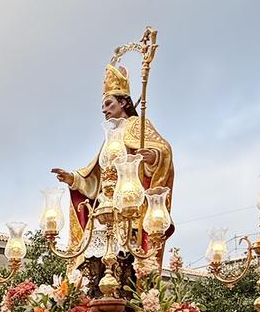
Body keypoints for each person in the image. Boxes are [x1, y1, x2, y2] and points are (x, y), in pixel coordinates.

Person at [51, 59, 174, 279]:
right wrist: (73, 179)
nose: (105, 110)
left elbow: (163, 150)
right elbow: (97, 174)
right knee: (94, 261)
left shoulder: (137, 126)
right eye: (103, 106)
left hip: (128, 205)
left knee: (125, 259)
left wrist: (152, 157)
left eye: (109, 104)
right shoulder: (110, 137)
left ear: (124, 103)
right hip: (105, 205)